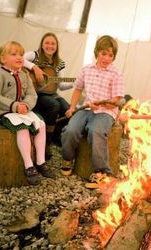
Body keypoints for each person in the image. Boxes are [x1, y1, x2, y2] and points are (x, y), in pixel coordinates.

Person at [0, 41, 55, 185]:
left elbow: (32, 94)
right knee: (22, 128)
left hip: (21, 110)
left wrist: (26, 105)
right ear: (3, 58)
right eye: (14, 54)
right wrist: (14, 105)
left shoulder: (24, 75)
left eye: (21, 54)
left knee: (41, 124)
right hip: (4, 111)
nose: (19, 57)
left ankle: (40, 161)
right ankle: (28, 165)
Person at [61, 35, 125, 188]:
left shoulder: (116, 74)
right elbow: (77, 88)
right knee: (71, 129)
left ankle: (101, 172)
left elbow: (117, 99)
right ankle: (68, 158)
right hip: (87, 108)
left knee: (96, 131)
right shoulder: (86, 70)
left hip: (106, 112)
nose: (107, 58)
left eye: (110, 55)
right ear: (97, 53)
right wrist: (71, 107)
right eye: (104, 54)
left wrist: (105, 103)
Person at [23, 32, 74, 159]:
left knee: (69, 110)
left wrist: (75, 82)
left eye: (53, 43)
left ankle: (56, 137)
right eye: (47, 42)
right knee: (54, 105)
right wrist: (34, 67)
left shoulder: (60, 63)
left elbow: (61, 85)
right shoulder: (33, 55)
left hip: (52, 94)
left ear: (57, 46)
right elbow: (20, 59)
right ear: (42, 44)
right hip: (36, 94)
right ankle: (46, 143)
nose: (50, 46)